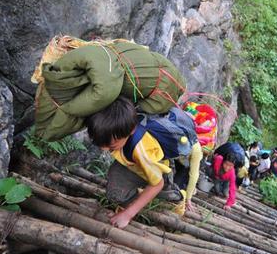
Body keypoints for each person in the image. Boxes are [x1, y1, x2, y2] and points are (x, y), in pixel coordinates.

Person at [85, 97, 202, 228]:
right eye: (100, 143)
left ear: (131, 131)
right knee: (115, 191)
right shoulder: (117, 128)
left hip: (157, 169)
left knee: (165, 191)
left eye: (110, 145)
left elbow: (157, 184)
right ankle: (135, 201)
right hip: (131, 162)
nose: (104, 149)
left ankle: (179, 198)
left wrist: (127, 214)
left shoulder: (141, 151)